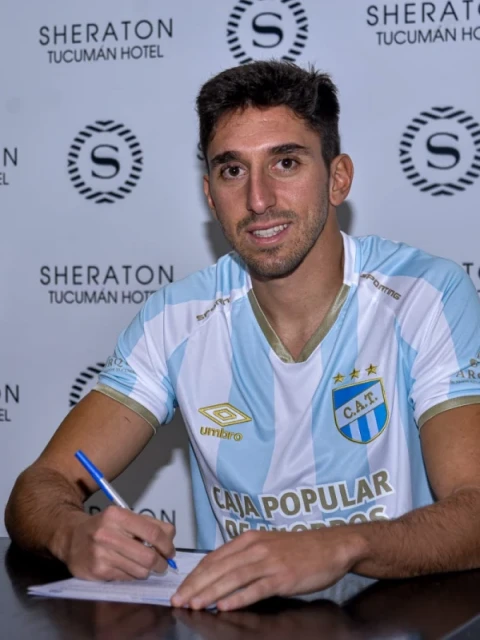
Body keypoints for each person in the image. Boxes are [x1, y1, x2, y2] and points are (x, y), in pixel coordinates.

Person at [5, 60, 480, 612]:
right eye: (232, 171)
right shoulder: (176, 318)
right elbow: (42, 483)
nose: (258, 199)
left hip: (388, 620)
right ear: (210, 194)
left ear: (338, 178)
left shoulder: (425, 295)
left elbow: (474, 508)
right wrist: (73, 534)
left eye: (285, 163)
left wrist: (340, 546)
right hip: (232, 622)